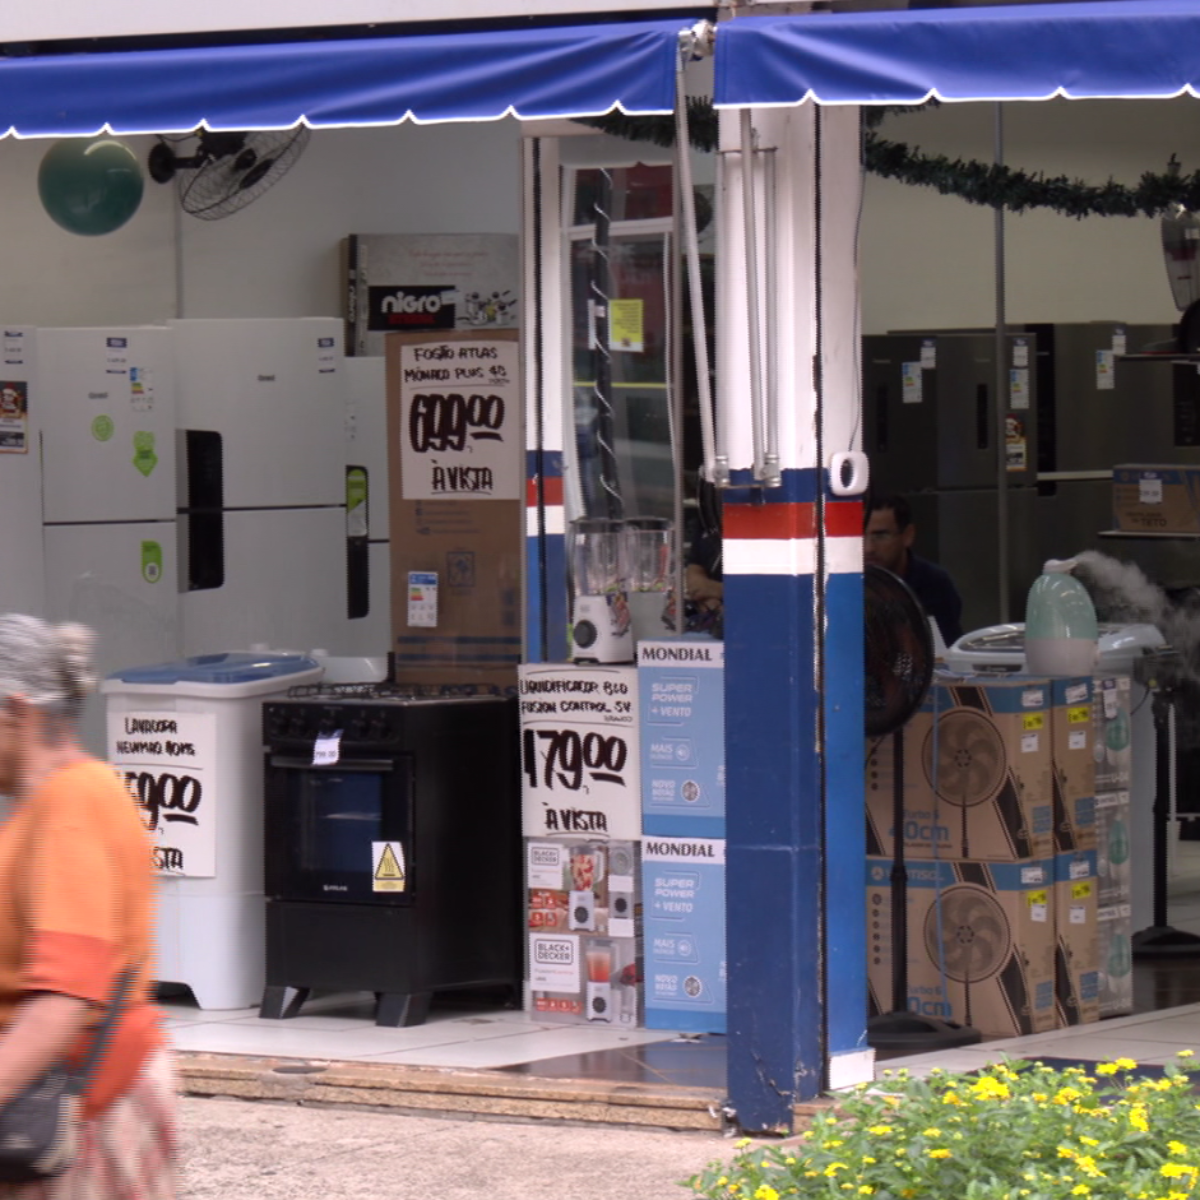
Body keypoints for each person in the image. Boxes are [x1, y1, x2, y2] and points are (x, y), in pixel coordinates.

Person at [0, 615, 176, 1199]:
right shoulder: (38, 811)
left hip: (80, 1112)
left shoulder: (75, 801)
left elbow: (61, 1001)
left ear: (16, 712)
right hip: (52, 1103)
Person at [865, 494, 964, 647]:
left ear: (907, 536)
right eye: (859, 535)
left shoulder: (934, 583)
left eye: (881, 535)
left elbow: (944, 652)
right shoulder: (838, 582)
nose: (868, 548)